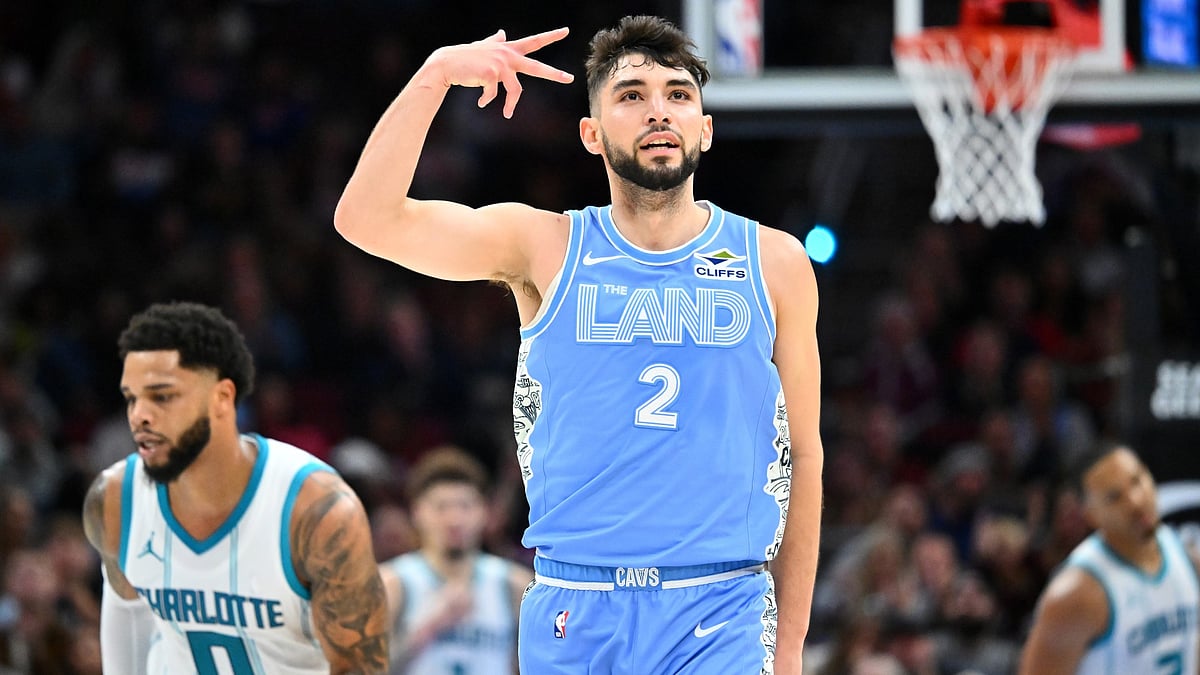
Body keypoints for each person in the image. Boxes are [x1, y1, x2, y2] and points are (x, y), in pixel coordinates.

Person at [335, 14, 823, 674]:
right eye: (631, 95)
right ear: (592, 135)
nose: (659, 111)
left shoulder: (774, 261)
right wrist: (437, 74)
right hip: (577, 604)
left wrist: (789, 642)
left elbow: (805, 459)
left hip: (722, 610)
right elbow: (366, 218)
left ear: (704, 129)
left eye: (679, 95)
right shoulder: (543, 245)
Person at [82, 301, 389, 674]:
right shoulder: (115, 499)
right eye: (132, 397)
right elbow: (128, 615)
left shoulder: (316, 510)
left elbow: (359, 666)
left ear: (222, 398)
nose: (139, 415)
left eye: (162, 396)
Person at [1018, 444, 1200, 674]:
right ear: (1090, 515)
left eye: (1136, 481)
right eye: (1115, 497)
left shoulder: (1184, 554)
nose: (1135, 501)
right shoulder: (1075, 594)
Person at [379, 445, 532, 674]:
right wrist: (429, 627)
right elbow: (365, 667)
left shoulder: (514, 584)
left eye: (465, 506)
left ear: (484, 512)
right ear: (417, 512)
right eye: (441, 507)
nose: (454, 519)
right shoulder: (392, 583)